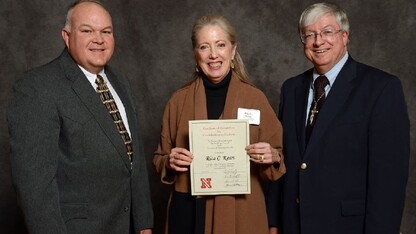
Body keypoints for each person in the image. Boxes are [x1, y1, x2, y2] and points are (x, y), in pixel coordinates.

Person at [7, 1, 153, 233]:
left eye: (106, 32)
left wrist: (144, 222)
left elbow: (133, 160)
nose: (99, 39)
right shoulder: (37, 87)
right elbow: (35, 188)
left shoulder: (120, 83)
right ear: (66, 36)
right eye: (87, 31)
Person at [267, 2, 410, 234]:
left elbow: (389, 181)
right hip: (294, 224)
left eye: (327, 32)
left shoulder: (381, 88)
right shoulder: (291, 89)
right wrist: (274, 222)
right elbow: (284, 158)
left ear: (345, 36)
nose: (318, 41)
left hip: (348, 226)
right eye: (310, 34)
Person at [153, 14, 286, 234]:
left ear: (233, 50)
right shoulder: (178, 101)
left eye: (221, 45)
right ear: (196, 54)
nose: (213, 55)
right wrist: (170, 161)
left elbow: (279, 159)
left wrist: (272, 156)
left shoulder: (255, 99)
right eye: (204, 47)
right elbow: (159, 159)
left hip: (239, 212)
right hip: (188, 211)